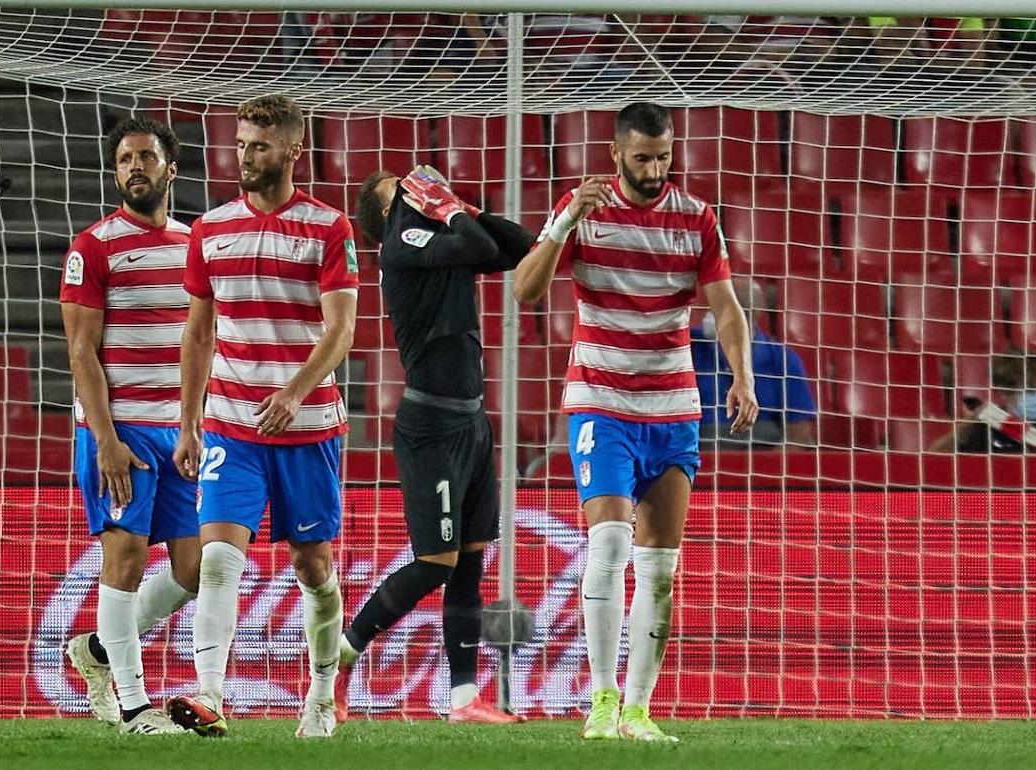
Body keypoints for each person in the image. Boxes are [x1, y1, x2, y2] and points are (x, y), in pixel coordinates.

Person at [512, 102, 759, 742]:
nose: (655, 169)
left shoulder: (697, 218)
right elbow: (523, 290)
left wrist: (742, 373)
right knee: (610, 545)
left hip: (673, 407)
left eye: (664, 157)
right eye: (644, 157)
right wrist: (566, 220)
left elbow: (725, 307)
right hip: (601, 402)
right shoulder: (583, 210)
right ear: (616, 152)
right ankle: (599, 701)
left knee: (658, 567)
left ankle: (639, 711)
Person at [168, 95, 357, 740]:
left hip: (306, 428)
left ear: (293, 151)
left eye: (260, 146)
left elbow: (341, 330)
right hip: (229, 423)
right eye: (242, 144)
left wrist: (296, 391)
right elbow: (196, 335)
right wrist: (189, 422)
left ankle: (323, 694)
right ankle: (210, 695)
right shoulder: (210, 229)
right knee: (219, 559)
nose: (246, 156)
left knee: (314, 568)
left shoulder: (328, 227)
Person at [334, 165, 533, 724]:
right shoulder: (404, 243)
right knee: (436, 563)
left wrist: (460, 204)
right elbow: (471, 241)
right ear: (390, 213)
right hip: (430, 428)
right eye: (402, 190)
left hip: (471, 421)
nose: (414, 189)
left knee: (469, 562)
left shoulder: (441, 242)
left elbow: (516, 247)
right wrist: (446, 209)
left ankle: (464, 698)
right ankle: (338, 658)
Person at [59, 117, 199, 736]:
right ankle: (136, 707)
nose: (134, 167)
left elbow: (203, 339)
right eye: (123, 160)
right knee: (126, 556)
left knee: (195, 569)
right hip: (120, 429)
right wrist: (106, 439)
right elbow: (81, 352)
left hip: (180, 431)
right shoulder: (92, 247)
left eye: (145, 157)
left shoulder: (195, 243)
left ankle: (94, 650)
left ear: (171, 168)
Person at [690, 277, 817, 447]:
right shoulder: (691, 348)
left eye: (720, 308)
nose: (710, 315)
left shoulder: (783, 361)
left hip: (761, 460)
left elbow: (798, 433)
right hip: (699, 457)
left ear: (751, 315)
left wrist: (765, 468)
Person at [929, 354, 1036, 453]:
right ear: (1004, 392)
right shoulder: (984, 427)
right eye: (1032, 390)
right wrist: (967, 426)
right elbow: (935, 459)